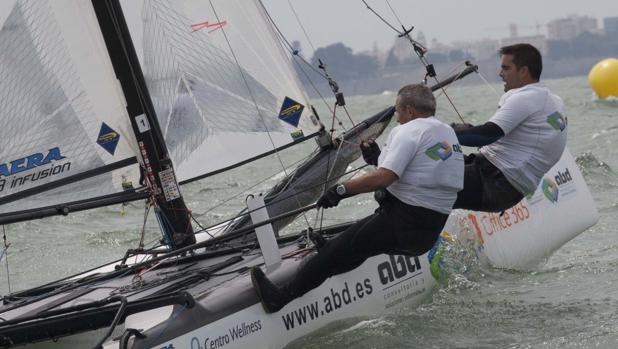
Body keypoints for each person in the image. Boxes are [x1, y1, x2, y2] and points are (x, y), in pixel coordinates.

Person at [250, 84, 464, 313]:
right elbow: (421, 170)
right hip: (428, 232)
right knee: (360, 244)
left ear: (410, 111)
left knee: (337, 250)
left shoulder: (409, 130)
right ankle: (335, 254)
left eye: (398, 112)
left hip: (403, 222)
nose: (397, 119)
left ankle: (280, 298)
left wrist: (340, 190)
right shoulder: (446, 134)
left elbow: (382, 179)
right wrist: (378, 157)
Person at [451, 43, 568, 212]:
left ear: (523, 71)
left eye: (506, 68)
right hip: (503, 182)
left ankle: (422, 237)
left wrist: (441, 133)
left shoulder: (526, 97)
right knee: (430, 162)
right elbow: (515, 137)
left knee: (425, 178)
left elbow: (488, 135)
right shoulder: (554, 100)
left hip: (495, 181)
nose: (500, 74)